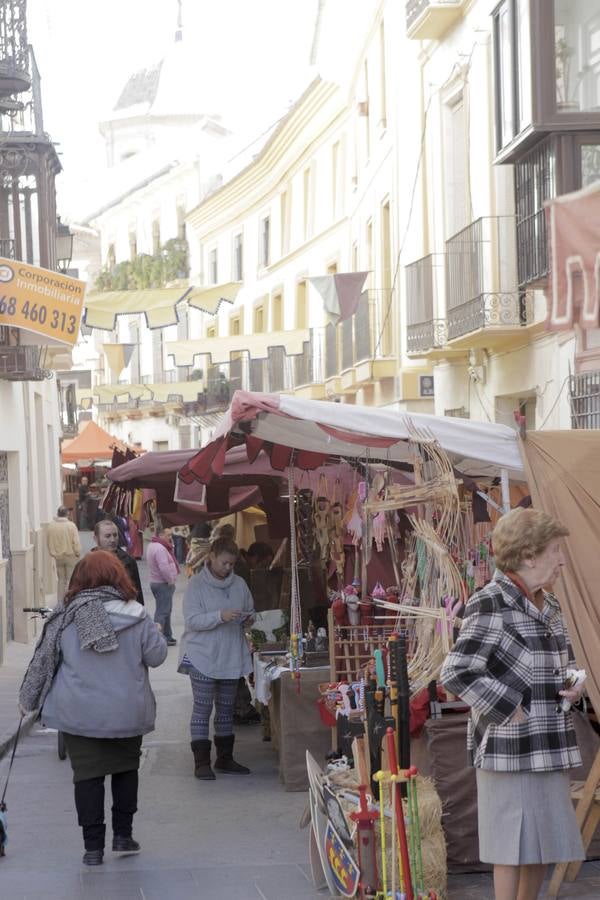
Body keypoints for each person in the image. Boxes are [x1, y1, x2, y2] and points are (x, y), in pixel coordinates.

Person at [440, 508, 586, 900]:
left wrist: (572, 685)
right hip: (508, 745)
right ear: (528, 554)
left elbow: (563, 662)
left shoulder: (550, 607)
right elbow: (456, 672)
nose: (561, 559)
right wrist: (508, 705)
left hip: (548, 742)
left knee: (541, 842)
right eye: (555, 550)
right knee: (510, 845)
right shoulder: (491, 603)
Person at [18, 550, 167, 866]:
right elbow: (156, 657)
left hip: (79, 711)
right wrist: (154, 633)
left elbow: (46, 659)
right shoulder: (137, 613)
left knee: (87, 776)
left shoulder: (66, 616)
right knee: (126, 769)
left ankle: (93, 847)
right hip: (127, 710)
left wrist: (29, 699)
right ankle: (123, 835)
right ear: (118, 577)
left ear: (80, 579)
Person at [178, 536, 254, 780]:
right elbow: (192, 621)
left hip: (230, 654)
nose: (228, 568)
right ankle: (201, 762)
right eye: (224, 563)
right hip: (202, 654)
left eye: (232, 564)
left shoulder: (239, 584)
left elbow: (250, 609)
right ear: (211, 557)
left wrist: (248, 618)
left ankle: (225, 758)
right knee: (202, 707)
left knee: (225, 708)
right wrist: (219, 616)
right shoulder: (197, 585)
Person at [90, 520, 144, 606]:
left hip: (123, 611)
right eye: (107, 536)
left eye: (115, 535)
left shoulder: (128, 561)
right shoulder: (87, 563)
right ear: (96, 539)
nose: (112, 540)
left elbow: (137, 592)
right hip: (96, 612)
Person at [146, 527, 179, 646]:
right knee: (162, 612)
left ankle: (167, 636)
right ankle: (157, 639)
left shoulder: (153, 545)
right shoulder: (160, 548)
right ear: (160, 535)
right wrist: (170, 580)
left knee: (166, 610)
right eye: (167, 535)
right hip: (163, 583)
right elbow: (164, 567)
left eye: (171, 535)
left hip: (156, 582)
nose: (170, 537)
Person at [46, 506, 81, 603]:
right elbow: (76, 542)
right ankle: (69, 599)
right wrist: (77, 552)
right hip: (70, 555)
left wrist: (52, 553)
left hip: (57, 557)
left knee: (60, 579)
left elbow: (48, 542)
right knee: (70, 578)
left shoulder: (51, 526)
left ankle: (60, 601)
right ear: (67, 514)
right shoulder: (71, 526)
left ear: (57, 513)